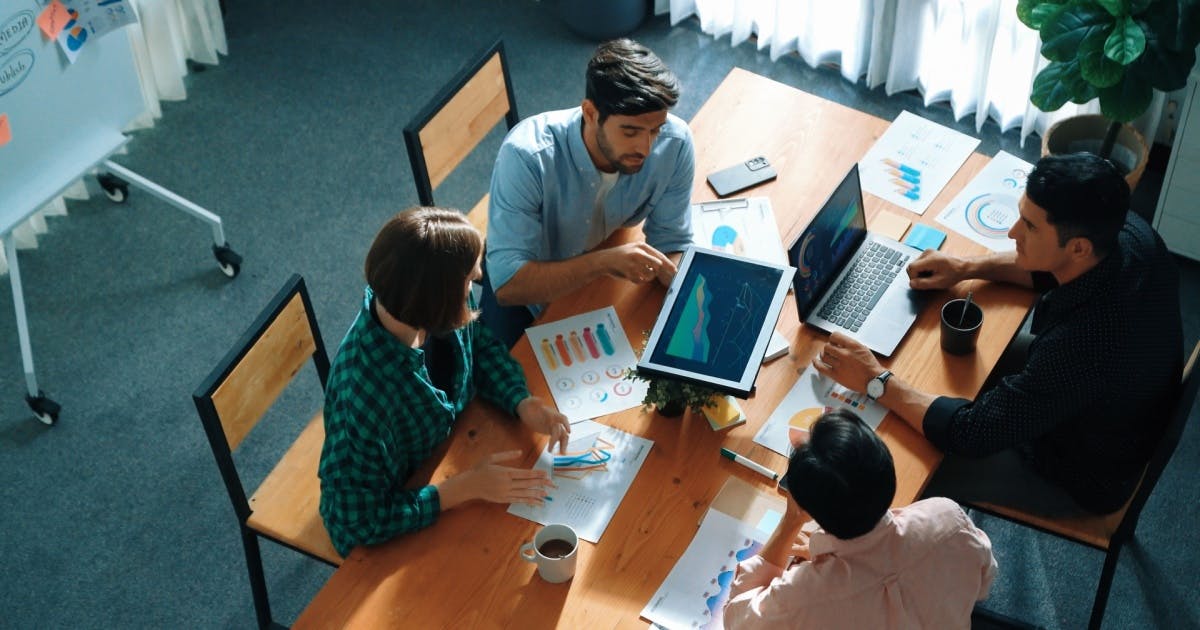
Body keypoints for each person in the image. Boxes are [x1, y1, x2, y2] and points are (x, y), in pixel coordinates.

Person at [813, 152, 1183, 516]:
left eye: (1031, 227)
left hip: (1079, 471)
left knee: (889, 476)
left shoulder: (1085, 344)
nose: (1012, 233)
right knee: (939, 365)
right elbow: (1048, 269)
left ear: (1079, 247)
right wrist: (966, 267)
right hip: (1103, 399)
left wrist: (874, 380)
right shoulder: (1125, 231)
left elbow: (972, 434)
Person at [318, 207, 571, 557]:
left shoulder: (433, 300)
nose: (478, 281)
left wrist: (522, 402)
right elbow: (359, 521)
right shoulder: (363, 395)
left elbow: (479, 346)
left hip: (450, 450)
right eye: (470, 279)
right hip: (402, 511)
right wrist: (462, 488)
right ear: (435, 298)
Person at [482, 38, 696, 346]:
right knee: (498, 386)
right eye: (630, 131)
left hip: (598, 275)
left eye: (655, 130)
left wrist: (679, 292)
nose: (646, 148)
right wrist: (604, 263)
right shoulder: (527, 157)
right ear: (590, 113)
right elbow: (508, 285)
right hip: (526, 286)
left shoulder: (675, 144)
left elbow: (673, 241)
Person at [724, 410, 996, 629]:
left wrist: (790, 522)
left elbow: (738, 622)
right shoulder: (948, 519)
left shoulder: (803, 597)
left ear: (809, 507)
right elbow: (984, 584)